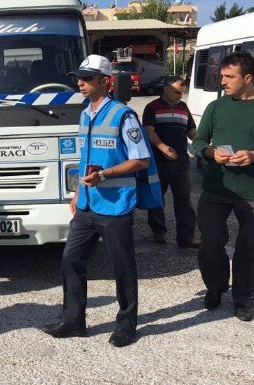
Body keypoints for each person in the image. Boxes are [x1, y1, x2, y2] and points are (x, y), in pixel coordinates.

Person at [41, 54, 162, 348]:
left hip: (116, 205)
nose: (79, 83)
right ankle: (73, 321)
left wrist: (104, 175)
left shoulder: (124, 115)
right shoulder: (85, 114)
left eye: (86, 79)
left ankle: (126, 325)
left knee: (122, 266)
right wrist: (77, 193)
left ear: (105, 82)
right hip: (86, 205)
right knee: (71, 258)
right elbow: (85, 160)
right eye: (78, 78)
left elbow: (141, 160)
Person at [192, 51, 254, 321]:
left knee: (249, 248)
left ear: (247, 77)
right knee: (210, 243)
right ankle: (216, 287)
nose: (222, 81)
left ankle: (243, 299)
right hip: (216, 190)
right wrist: (211, 154)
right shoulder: (216, 107)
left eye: (228, 76)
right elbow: (197, 143)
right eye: (221, 76)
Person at [142, 76, 199, 248]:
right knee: (157, 198)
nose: (179, 95)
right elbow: (149, 132)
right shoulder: (152, 107)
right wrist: (163, 147)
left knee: (184, 200)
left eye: (181, 92)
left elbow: (191, 131)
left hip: (181, 163)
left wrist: (205, 145)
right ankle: (159, 231)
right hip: (159, 162)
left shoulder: (184, 108)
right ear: (165, 89)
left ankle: (185, 237)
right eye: (176, 92)